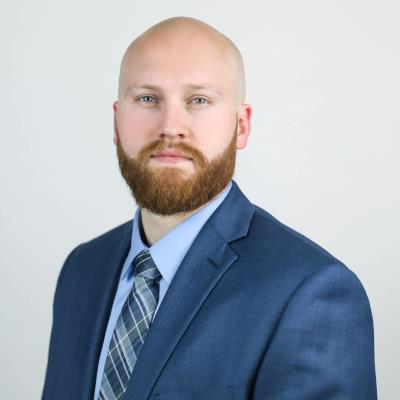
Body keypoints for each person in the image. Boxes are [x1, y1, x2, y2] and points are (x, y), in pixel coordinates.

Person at [42, 16, 377, 400]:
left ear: (241, 126)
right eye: (148, 98)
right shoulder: (82, 270)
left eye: (198, 100)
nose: (171, 126)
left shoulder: (311, 293)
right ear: (117, 122)